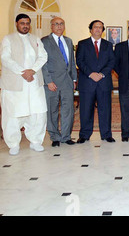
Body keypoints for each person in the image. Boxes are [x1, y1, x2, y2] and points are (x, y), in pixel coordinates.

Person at [0, 14, 48, 155]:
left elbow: (43, 56)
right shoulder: (8, 39)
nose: (25, 26)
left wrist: (32, 70)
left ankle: (35, 141)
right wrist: (23, 72)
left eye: (27, 23)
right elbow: (5, 58)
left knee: (38, 111)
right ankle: (13, 143)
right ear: (16, 24)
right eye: (22, 23)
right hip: (15, 82)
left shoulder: (35, 39)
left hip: (33, 81)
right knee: (13, 113)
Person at [76, 20, 116, 144]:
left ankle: (106, 134)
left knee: (105, 110)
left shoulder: (108, 45)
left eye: (100, 27)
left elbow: (111, 62)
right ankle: (84, 135)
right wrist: (91, 74)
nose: (98, 29)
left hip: (103, 82)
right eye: (95, 27)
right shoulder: (82, 44)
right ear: (90, 30)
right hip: (87, 82)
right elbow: (80, 61)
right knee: (86, 110)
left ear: (103, 31)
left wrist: (101, 74)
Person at [41, 17, 77, 147]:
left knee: (68, 110)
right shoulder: (44, 41)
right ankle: (55, 137)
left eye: (61, 24)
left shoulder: (68, 41)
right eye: (56, 24)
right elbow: (42, 63)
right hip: (52, 83)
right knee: (52, 110)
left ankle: (66, 136)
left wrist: (74, 79)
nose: (59, 26)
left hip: (67, 82)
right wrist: (48, 81)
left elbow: (72, 61)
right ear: (51, 26)